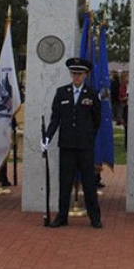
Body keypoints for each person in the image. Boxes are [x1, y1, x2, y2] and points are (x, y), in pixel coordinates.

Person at [41, 57, 102, 229]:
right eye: (73, 73)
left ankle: (94, 217)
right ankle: (62, 216)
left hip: (84, 146)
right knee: (65, 182)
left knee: (89, 183)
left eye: (80, 74)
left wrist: (89, 137)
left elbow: (96, 119)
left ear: (86, 75)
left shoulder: (91, 93)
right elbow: (55, 118)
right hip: (66, 145)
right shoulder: (62, 92)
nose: (76, 77)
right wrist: (47, 137)